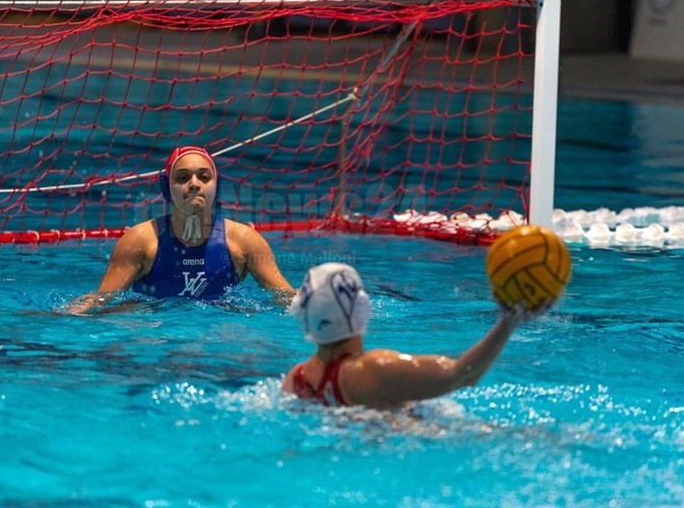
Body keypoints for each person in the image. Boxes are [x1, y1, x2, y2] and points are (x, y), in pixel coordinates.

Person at [282, 262, 548, 410]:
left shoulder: (296, 380)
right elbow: (463, 375)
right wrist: (510, 321)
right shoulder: (374, 369)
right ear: (362, 308)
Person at [66, 146, 296, 314]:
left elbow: (285, 298)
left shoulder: (244, 241)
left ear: (217, 186)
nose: (194, 183)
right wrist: (61, 318)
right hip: (154, 331)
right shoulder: (141, 241)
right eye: (183, 177)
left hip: (220, 332)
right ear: (167, 187)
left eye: (204, 177)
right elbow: (101, 301)